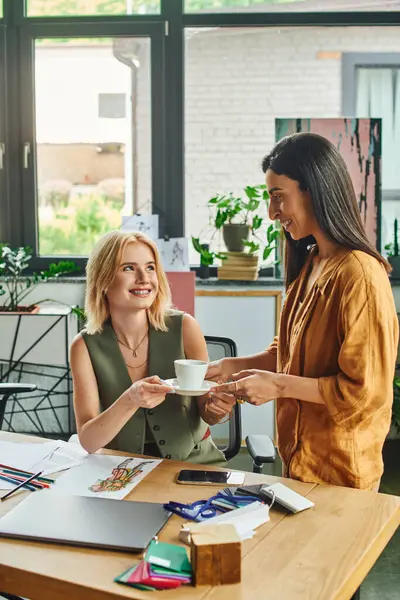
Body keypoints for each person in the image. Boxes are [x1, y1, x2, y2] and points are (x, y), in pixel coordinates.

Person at [208, 132, 399, 490]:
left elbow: (364, 393)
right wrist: (227, 369)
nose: (271, 213)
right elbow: (289, 354)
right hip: (298, 465)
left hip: (341, 476)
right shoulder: (310, 263)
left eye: (278, 197)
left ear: (313, 189)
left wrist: (278, 386)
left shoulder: (359, 274)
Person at [70, 230, 226, 464]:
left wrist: (217, 410)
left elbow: (206, 409)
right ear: (103, 280)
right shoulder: (84, 346)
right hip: (121, 468)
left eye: (150, 267)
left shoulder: (186, 328)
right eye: (128, 268)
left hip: (193, 464)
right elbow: (90, 442)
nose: (144, 278)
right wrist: (130, 399)